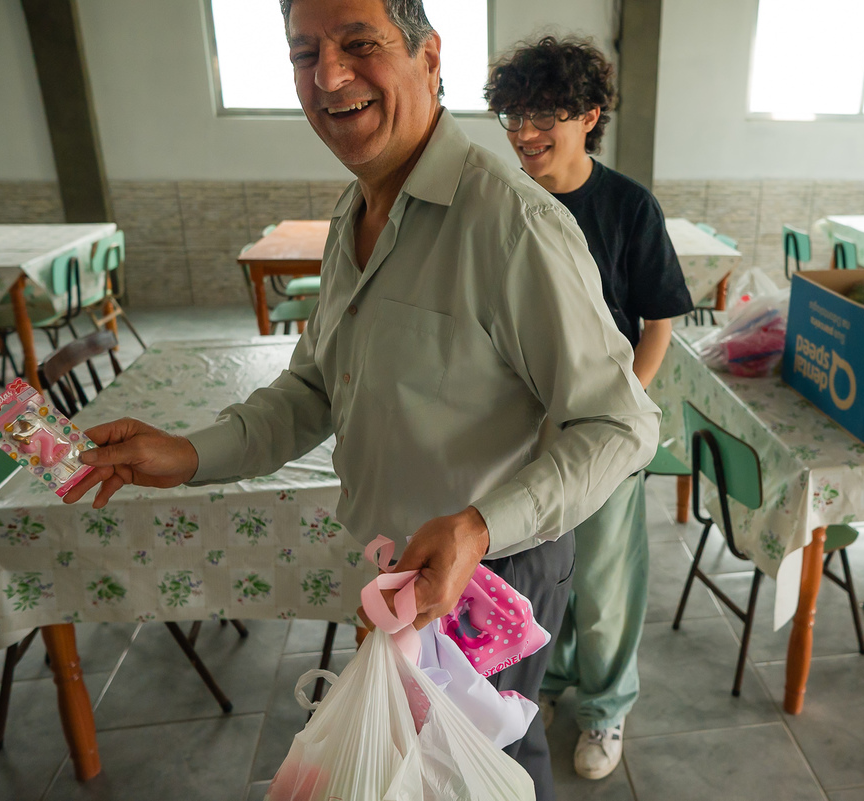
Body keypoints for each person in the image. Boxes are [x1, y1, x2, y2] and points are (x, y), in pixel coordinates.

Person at [62, 1, 659, 797]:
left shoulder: (509, 223)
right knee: (419, 767)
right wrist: (189, 453)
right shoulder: (358, 210)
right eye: (303, 52)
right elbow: (316, 386)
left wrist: (480, 526)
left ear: (428, 55)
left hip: (488, 574)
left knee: (492, 767)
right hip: (394, 564)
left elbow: (621, 424)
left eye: (358, 44)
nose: (329, 76)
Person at [485, 37, 693, 780]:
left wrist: (623, 410)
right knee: (536, 575)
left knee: (604, 584)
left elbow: (659, 317)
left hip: (601, 429)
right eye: (512, 112)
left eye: (545, 113)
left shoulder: (627, 206)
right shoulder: (501, 203)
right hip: (517, 432)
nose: (523, 130)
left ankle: (605, 708)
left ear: (589, 116)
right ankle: (553, 682)